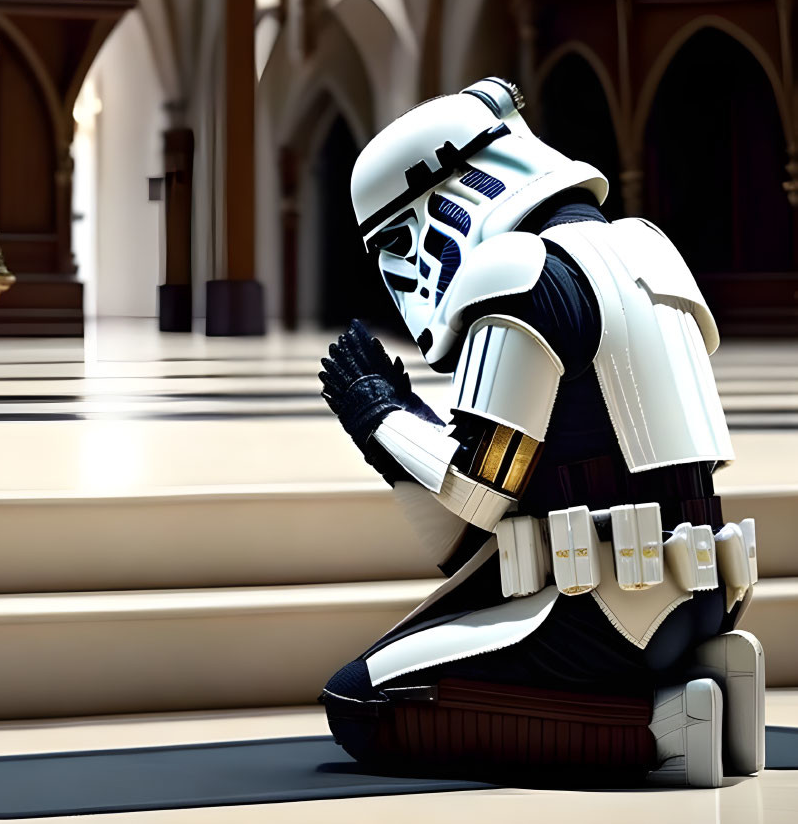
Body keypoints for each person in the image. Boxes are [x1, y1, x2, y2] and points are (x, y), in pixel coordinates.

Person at [318, 78, 764, 788]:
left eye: (398, 245)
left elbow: (479, 489)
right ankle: (708, 675)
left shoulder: (519, 271)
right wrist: (391, 425)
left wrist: (376, 411)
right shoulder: (645, 249)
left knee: (361, 701)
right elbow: (477, 535)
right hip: (706, 588)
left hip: (603, 612)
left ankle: (661, 726)